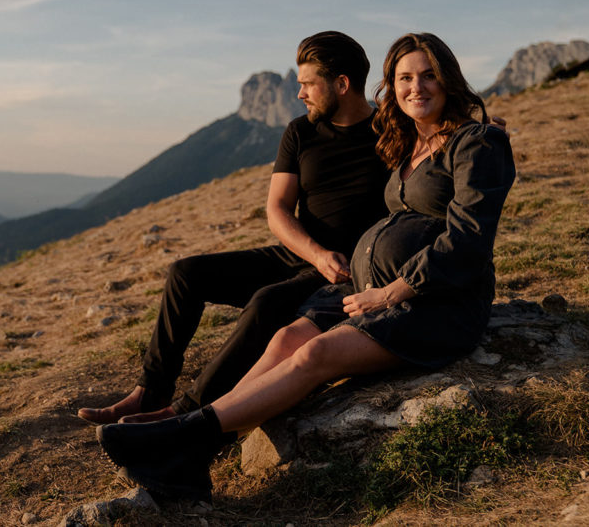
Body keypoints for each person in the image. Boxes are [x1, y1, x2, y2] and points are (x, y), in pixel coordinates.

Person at [95, 32, 516, 502]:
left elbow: (469, 239)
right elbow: (287, 202)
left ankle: (182, 438)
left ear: (448, 78)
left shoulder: (475, 142)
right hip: (367, 288)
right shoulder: (405, 141)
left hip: (432, 302)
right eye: (404, 78)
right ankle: (192, 447)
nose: (415, 87)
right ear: (391, 86)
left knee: (313, 355)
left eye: (428, 75)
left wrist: (391, 291)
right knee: (286, 339)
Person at [78, 31, 389, 424]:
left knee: (265, 303)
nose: (299, 94)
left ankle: (185, 414)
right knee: (185, 273)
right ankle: (149, 393)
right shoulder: (300, 132)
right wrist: (315, 253)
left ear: (342, 84)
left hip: (346, 269)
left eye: (308, 84)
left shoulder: (390, 133)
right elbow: (277, 209)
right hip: (304, 253)